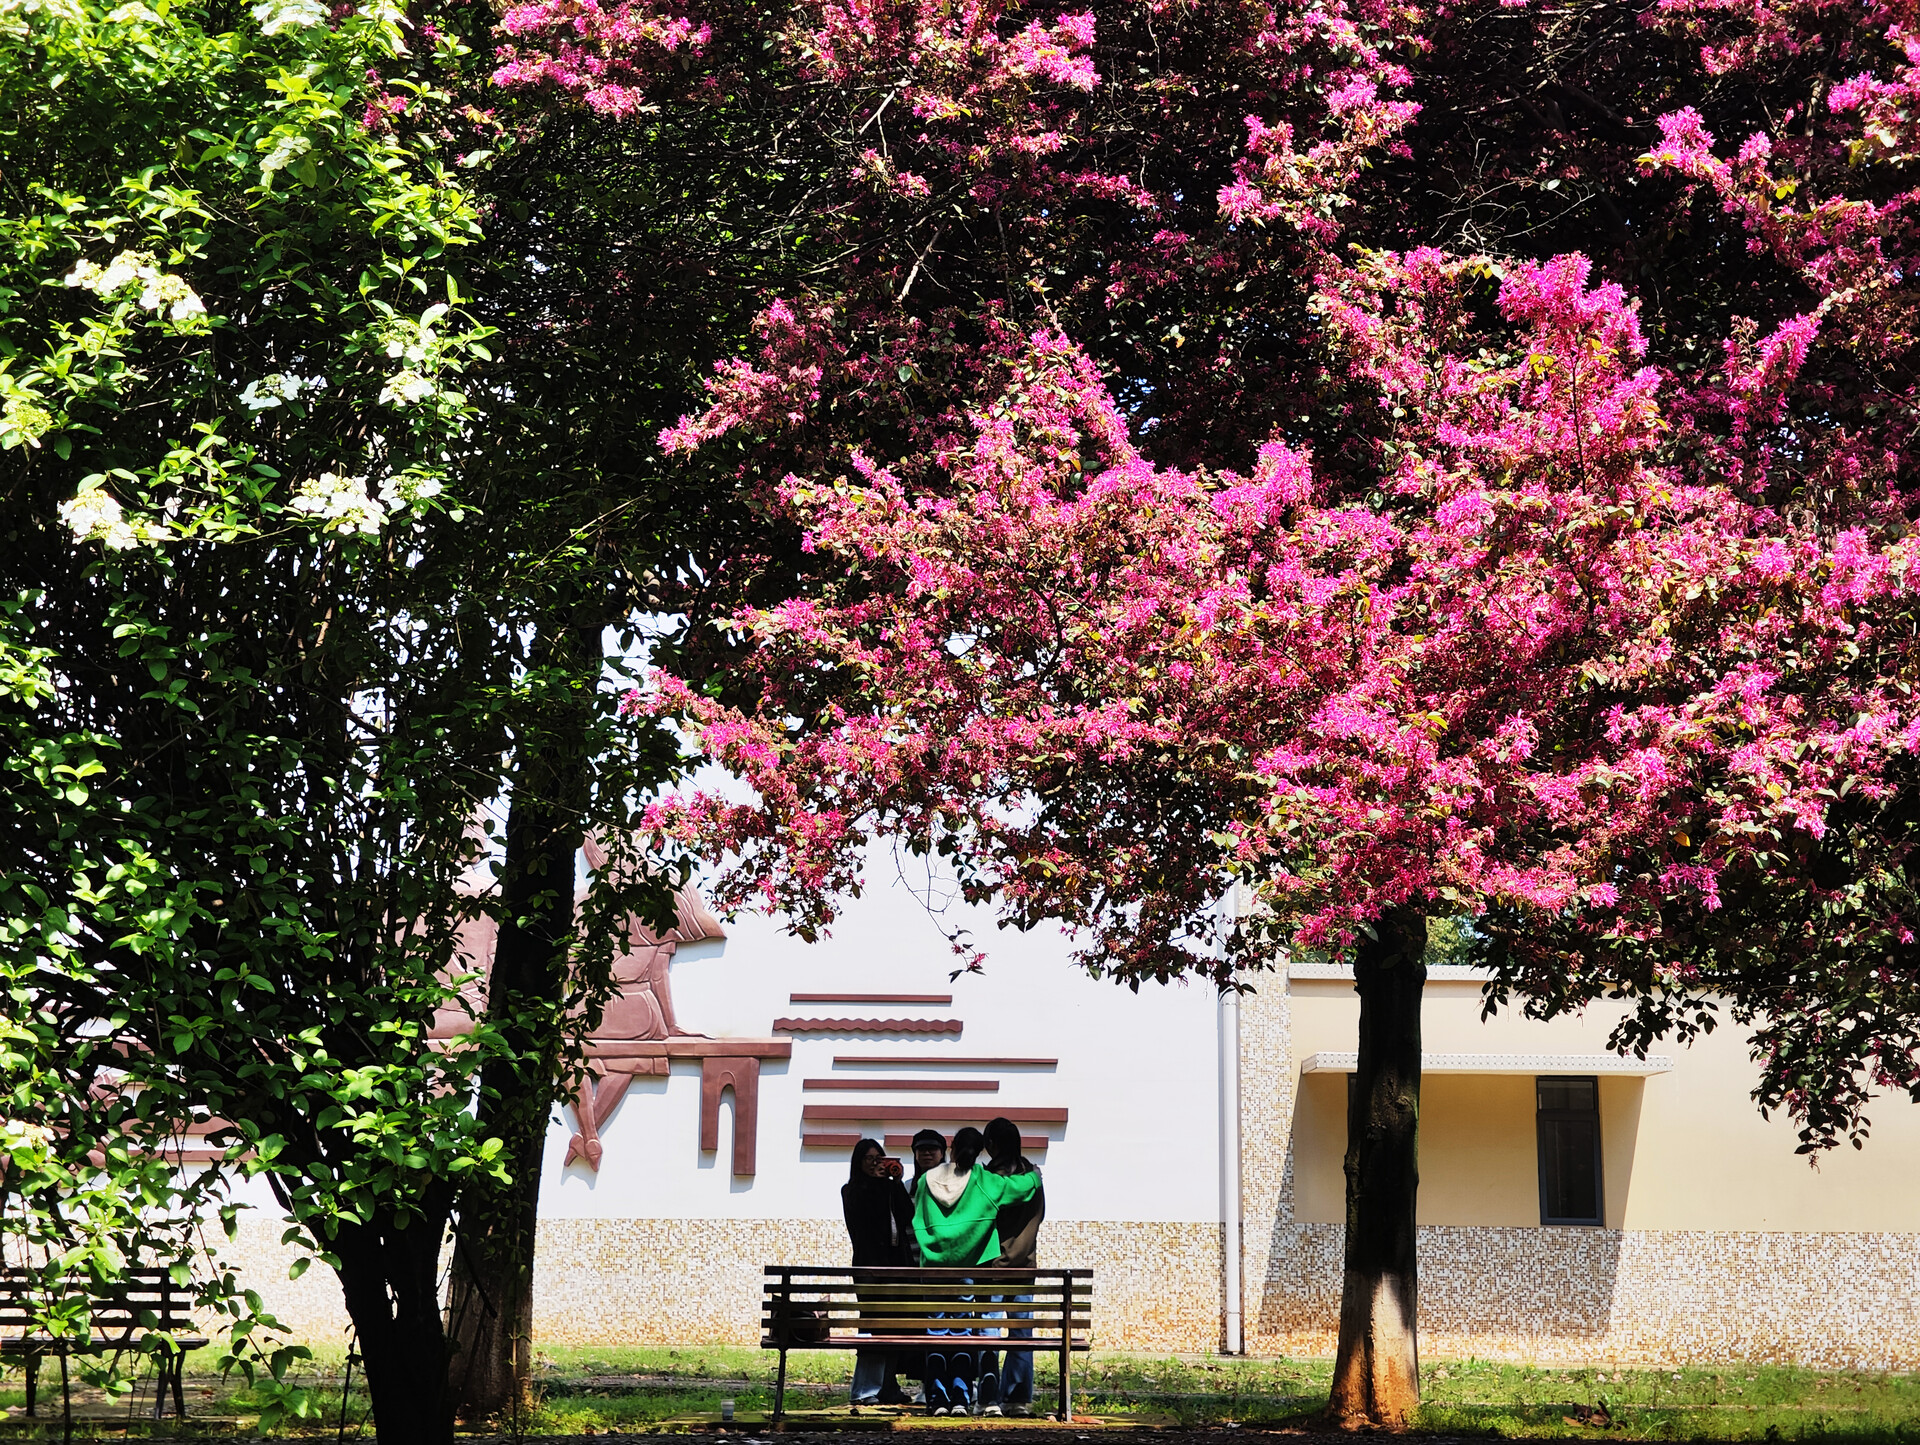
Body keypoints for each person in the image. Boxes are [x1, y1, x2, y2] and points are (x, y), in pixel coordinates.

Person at [912, 1125, 1042, 1417]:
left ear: (952, 1149)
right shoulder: (983, 1181)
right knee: (961, 1333)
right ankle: (960, 1398)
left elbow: (915, 1213)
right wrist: (1035, 1176)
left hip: (932, 1270)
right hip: (968, 1269)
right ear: (979, 1150)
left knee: (936, 1334)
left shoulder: (925, 1180)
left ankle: (936, 1399)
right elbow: (1020, 1189)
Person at [841, 1139, 914, 1407]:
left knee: (894, 1328)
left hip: (896, 1267)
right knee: (872, 1326)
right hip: (870, 1268)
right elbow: (864, 1218)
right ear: (859, 1163)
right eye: (869, 1159)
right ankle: (865, 1389)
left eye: (880, 1159)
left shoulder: (889, 1187)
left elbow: (908, 1215)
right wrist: (880, 1183)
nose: (875, 1164)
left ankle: (888, 1386)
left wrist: (895, 1182)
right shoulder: (851, 1191)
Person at [982, 1116, 1045, 1417]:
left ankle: (988, 1398)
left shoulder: (987, 1179)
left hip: (992, 1267)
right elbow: (1040, 1215)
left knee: (989, 1331)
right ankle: (1018, 1399)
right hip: (1024, 1266)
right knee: (1022, 1334)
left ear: (991, 1144)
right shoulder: (1033, 1175)